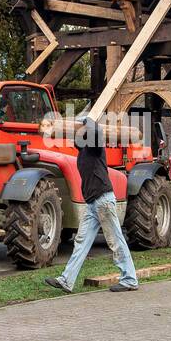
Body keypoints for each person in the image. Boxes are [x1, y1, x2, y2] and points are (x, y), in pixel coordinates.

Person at [44, 118, 139, 293]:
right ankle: (67, 280)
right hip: (92, 204)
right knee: (81, 242)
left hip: (103, 200)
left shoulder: (95, 149)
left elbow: (97, 133)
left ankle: (129, 279)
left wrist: (89, 120)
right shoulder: (83, 153)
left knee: (116, 241)